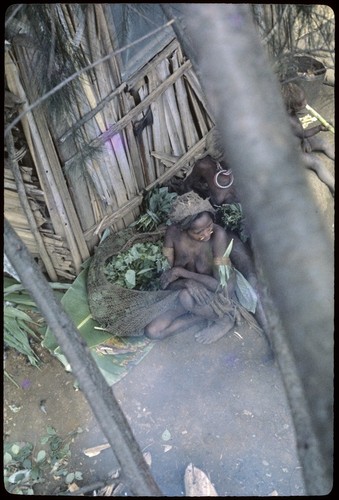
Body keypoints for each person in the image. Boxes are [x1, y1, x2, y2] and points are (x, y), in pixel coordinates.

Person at [144, 192, 266, 344]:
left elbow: (221, 286)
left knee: (186, 297)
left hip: (213, 295)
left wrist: (181, 272)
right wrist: (187, 282)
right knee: (152, 332)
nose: (207, 233)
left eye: (209, 227)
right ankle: (200, 316)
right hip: (181, 293)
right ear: (184, 229)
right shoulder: (172, 233)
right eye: (199, 232)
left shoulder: (218, 235)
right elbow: (165, 281)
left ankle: (223, 321)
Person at [281, 82, 334, 195]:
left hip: (300, 138)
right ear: (291, 106)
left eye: (305, 99)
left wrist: (305, 140)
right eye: (301, 103)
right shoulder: (288, 120)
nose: (305, 104)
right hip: (292, 152)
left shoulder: (291, 112)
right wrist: (319, 127)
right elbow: (301, 132)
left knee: (323, 143)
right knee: (316, 162)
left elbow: (300, 133)